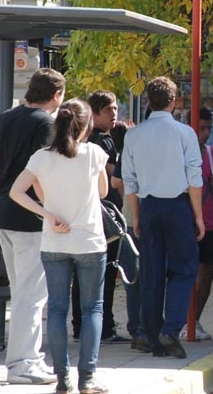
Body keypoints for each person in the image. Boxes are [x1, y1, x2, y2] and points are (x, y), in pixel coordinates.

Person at [0, 68, 66, 385]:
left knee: (23, 291)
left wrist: (4, 168)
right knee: (31, 295)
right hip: (30, 216)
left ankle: (29, 359)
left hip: (3, 212)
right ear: (57, 95)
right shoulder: (47, 124)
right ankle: (22, 364)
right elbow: (42, 172)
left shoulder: (10, 116)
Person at [9, 99, 109, 394]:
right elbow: (103, 191)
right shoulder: (94, 154)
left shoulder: (41, 157)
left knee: (56, 309)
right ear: (87, 126)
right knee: (92, 309)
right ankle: (87, 379)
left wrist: (48, 214)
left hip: (54, 240)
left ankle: (63, 378)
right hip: (89, 240)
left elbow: (16, 191)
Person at [121, 76, 205, 359]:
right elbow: (195, 178)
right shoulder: (185, 133)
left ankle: (153, 337)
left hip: (149, 206)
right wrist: (198, 216)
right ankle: (171, 328)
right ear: (173, 101)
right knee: (184, 268)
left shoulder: (133, 135)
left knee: (151, 273)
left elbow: (129, 182)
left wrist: (137, 216)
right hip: (179, 205)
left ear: (147, 101)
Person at [71, 91, 127, 344]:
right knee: (104, 271)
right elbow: (112, 177)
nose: (114, 114)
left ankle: (81, 325)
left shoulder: (80, 140)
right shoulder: (102, 141)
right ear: (95, 113)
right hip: (104, 214)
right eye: (109, 110)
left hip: (83, 212)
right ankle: (103, 326)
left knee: (80, 275)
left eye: (115, 109)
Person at [109, 120, 147, 351]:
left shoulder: (129, 150)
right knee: (141, 276)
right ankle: (141, 326)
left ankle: (138, 327)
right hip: (140, 218)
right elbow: (117, 182)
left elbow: (116, 182)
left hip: (131, 219)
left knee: (134, 276)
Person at [192, 108, 213, 341]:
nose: (204, 133)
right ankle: (184, 318)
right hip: (189, 221)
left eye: (208, 128)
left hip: (210, 220)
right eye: (200, 128)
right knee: (187, 273)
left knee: (206, 272)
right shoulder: (182, 154)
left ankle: (195, 320)